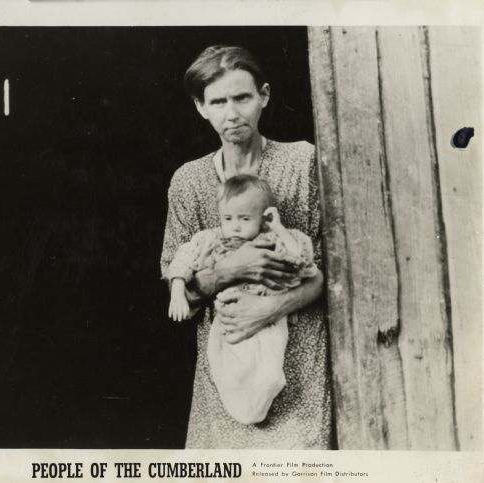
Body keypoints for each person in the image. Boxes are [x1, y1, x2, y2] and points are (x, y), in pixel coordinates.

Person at [160, 45, 332, 448]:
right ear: (201, 107)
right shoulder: (188, 182)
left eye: (242, 97)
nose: (232, 113)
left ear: (264, 96)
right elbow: (176, 279)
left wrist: (269, 307)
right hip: (228, 361)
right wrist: (232, 270)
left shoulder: (303, 162)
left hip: (298, 365)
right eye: (218, 101)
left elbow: (329, 274)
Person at [166, 174, 319, 425]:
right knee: (225, 367)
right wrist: (177, 290)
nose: (235, 226)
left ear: (264, 217)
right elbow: (184, 257)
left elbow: (303, 262)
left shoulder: (272, 240)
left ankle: (264, 395)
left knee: (268, 371)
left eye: (245, 219)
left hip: (267, 316)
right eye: (228, 218)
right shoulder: (212, 240)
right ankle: (243, 410)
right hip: (228, 315)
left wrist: (278, 227)